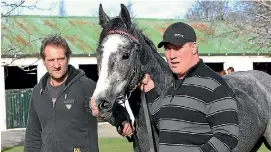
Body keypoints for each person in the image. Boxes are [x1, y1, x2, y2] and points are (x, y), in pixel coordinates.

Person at [139, 22, 240, 152]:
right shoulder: (173, 85)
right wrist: (151, 91)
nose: (171, 55)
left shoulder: (214, 86)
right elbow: (166, 126)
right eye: (168, 48)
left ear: (193, 48)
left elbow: (228, 135)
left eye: (178, 47)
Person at [24, 35, 132, 152]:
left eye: (60, 59)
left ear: (68, 58)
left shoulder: (86, 87)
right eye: (51, 60)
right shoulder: (38, 92)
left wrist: (122, 122)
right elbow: (33, 136)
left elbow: (113, 107)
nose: (56, 65)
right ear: (44, 61)